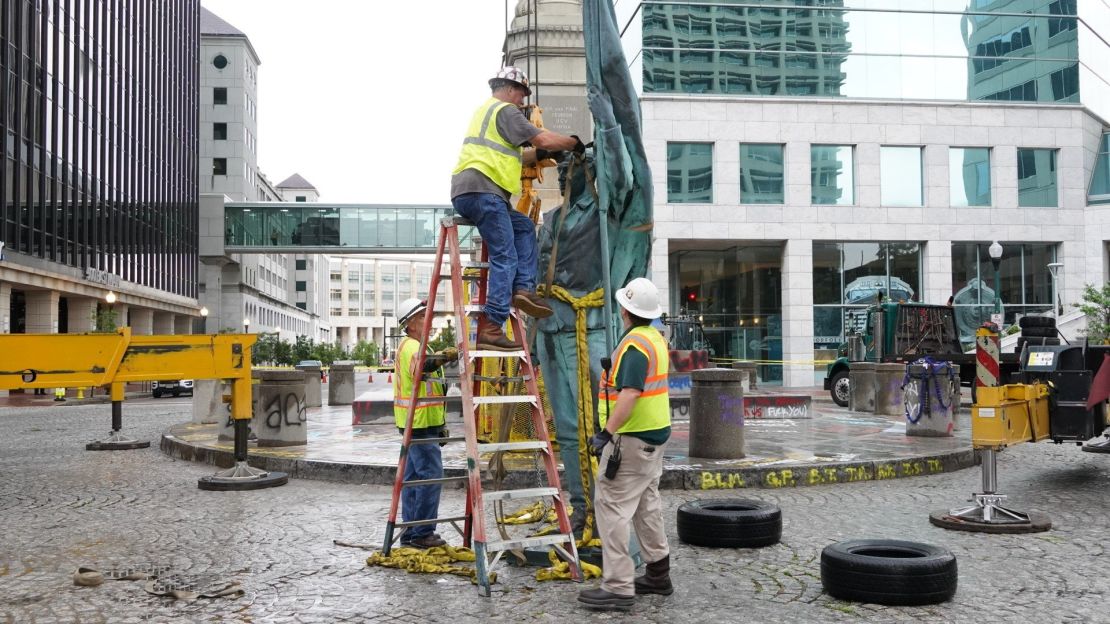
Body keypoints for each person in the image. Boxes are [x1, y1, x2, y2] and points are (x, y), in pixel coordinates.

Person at [450, 66, 584, 351]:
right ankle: (492, 326)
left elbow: (519, 156)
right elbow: (543, 138)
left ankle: (523, 289)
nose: (523, 103)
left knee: (523, 227)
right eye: (522, 95)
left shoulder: (484, 112)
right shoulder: (506, 111)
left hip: (469, 190)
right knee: (505, 254)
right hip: (485, 191)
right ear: (510, 89)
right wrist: (574, 143)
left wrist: (543, 153)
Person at [578, 277, 673, 611]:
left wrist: (606, 432)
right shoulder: (655, 339)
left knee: (611, 505)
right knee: (647, 503)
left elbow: (631, 392)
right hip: (654, 436)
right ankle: (658, 573)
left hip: (632, 439)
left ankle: (618, 587)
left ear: (625, 310)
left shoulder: (634, 345)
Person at [394, 297, 458, 548]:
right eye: (423, 317)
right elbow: (423, 368)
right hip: (418, 424)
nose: (429, 321)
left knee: (414, 478)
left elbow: (431, 389)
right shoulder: (412, 347)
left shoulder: (418, 346)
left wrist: (439, 425)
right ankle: (422, 532)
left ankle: (412, 532)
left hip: (421, 423)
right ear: (410, 324)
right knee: (430, 476)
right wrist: (446, 355)